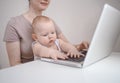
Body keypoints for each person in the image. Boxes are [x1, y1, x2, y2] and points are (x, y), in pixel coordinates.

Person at [3, 0, 89, 66]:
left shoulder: (50, 23)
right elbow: (15, 65)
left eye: (52, 33)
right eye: (45, 35)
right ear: (35, 36)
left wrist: (79, 47)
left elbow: (67, 46)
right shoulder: (14, 24)